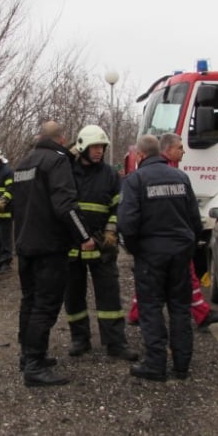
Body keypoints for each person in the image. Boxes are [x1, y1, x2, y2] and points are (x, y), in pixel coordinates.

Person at [10, 121, 94, 387]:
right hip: (49, 246)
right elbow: (65, 204)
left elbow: (18, 205)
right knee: (45, 306)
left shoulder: (23, 164)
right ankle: (35, 365)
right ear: (62, 139)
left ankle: (28, 356)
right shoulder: (57, 161)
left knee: (29, 300)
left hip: (25, 244)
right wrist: (84, 236)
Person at [119, 134, 203, 381]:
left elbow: (127, 222)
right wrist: (188, 246)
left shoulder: (135, 180)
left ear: (140, 156)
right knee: (179, 308)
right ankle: (181, 365)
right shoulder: (181, 177)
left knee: (151, 308)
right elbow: (195, 220)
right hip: (180, 253)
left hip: (151, 255)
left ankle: (155, 365)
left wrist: (136, 249)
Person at [125, 133, 218, 331]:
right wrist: (190, 241)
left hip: (156, 247)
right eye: (180, 148)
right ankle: (199, 316)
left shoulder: (153, 175)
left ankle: (139, 315)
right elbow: (190, 216)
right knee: (182, 284)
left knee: (152, 284)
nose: (183, 151)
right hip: (173, 244)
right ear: (168, 150)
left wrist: (136, 248)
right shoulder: (173, 174)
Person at [63, 125, 139, 362]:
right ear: (82, 147)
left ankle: (115, 343)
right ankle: (80, 339)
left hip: (102, 243)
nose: (99, 152)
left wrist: (111, 229)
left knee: (109, 295)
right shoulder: (67, 172)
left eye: (102, 147)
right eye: (95, 147)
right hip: (73, 244)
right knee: (73, 294)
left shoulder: (110, 174)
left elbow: (119, 206)